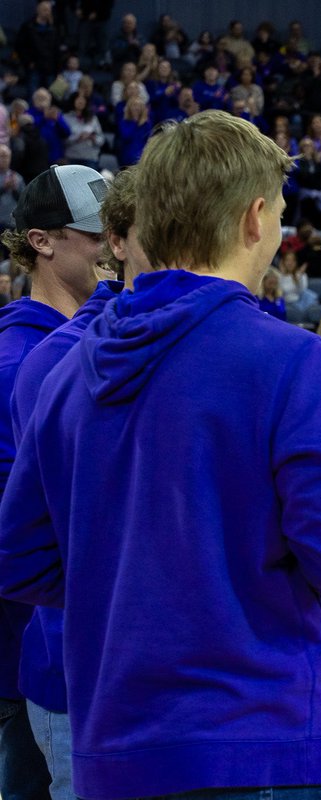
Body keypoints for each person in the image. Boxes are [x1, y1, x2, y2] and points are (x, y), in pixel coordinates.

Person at [0, 111, 321, 800]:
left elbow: (20, 559)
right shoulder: (292, 359)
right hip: (266, 741)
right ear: (255, 218)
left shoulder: (63, 371)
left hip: (116, 745)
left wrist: (137, 586)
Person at [0, 163, 109, 800]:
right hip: (38, 663)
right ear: (43, 241)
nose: (113, 245)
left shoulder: (97, 342)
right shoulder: (20, 361)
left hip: (79, 657)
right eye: (96, 233)